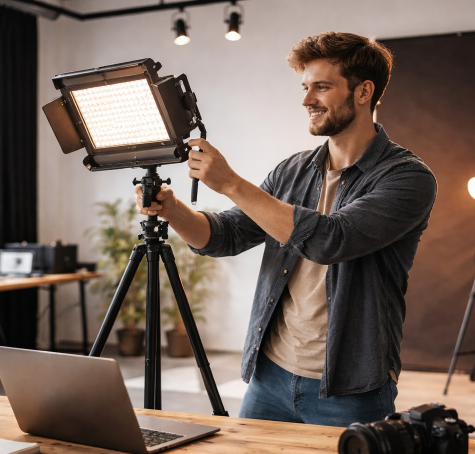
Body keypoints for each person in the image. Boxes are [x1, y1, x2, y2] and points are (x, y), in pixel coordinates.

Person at [135, 32, 437, 427]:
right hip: (270, 377)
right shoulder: (292, 170)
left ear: (364, 92)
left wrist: (231, 183)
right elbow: (227, 235)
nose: (306, 100)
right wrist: (173, 211)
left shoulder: (406, 177)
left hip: (349, 387)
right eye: (305, 87)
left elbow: (333, 239)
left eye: (322, 87)